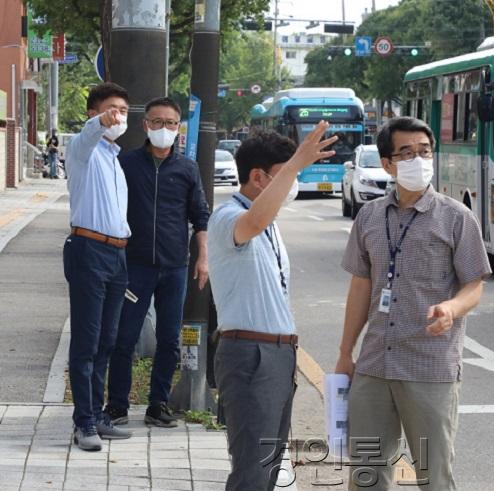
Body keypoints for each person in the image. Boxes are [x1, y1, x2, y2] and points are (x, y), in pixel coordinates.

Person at [335, 117, 492, 490]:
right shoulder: (370, 217)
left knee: (434, 476)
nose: (418, 160)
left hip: (429, 365)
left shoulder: (457, 218)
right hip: (375, 363)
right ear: (387, 163)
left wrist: (451, 309)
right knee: (367, 476)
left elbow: (474, 285)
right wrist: (346, 353)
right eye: (406, 153)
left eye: (424, 152)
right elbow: (361, 286)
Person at [207, 122, 337, 490]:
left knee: (269, 465)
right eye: (284, 176)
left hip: (278, 354)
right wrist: (297, 163)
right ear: (257, 178)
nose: (291, 185)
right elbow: (255, 219)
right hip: (250, 353)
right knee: (251, 468)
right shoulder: (228, 217)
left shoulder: (271, 223)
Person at [104, 97, 210, 428]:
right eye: (157, 122)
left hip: (175, 267)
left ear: (178, 129)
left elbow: (200, 216)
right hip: (133, 265)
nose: (163, 129)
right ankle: (118, 405)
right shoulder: (126, 163)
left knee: (169, 339)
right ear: (145, 124)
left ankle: (157, 405)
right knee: (125, 336)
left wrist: (203, 258)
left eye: (170, 123)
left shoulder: (187, 168)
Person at [63, 82, 133, 451]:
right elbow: (88, 136)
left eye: (123, 111)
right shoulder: (81, 149)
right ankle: (83, 422)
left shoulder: (113, 157)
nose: (117, 117)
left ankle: (97, 414)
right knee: (87, 341)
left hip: (116, 254)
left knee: (108, 339)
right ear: (93, 112)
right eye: (110, 110)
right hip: (88, 249)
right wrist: (98, 124)